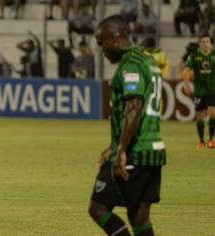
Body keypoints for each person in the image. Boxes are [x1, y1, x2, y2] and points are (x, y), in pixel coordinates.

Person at [89, 15, 166, 236]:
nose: (101, 50)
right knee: (139, 216)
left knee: (98, 207)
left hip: (135, 152)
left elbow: (134, 108)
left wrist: (121, 149)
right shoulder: (147, 59)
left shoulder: (130, 65)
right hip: (154, 151)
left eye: (102, 43)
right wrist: (114, 146)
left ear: (115, 38)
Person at [183, 33, 215, 148]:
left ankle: (211, 140)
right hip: (199, 91)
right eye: (203, 42)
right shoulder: (194, 55)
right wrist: (186, 85)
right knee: (200, 116)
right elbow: (186, 70)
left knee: (212, 112)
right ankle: (201, 141)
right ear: (200, 44)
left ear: (211, 43)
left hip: (213, 90)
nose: (206, 44)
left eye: (208, 41)